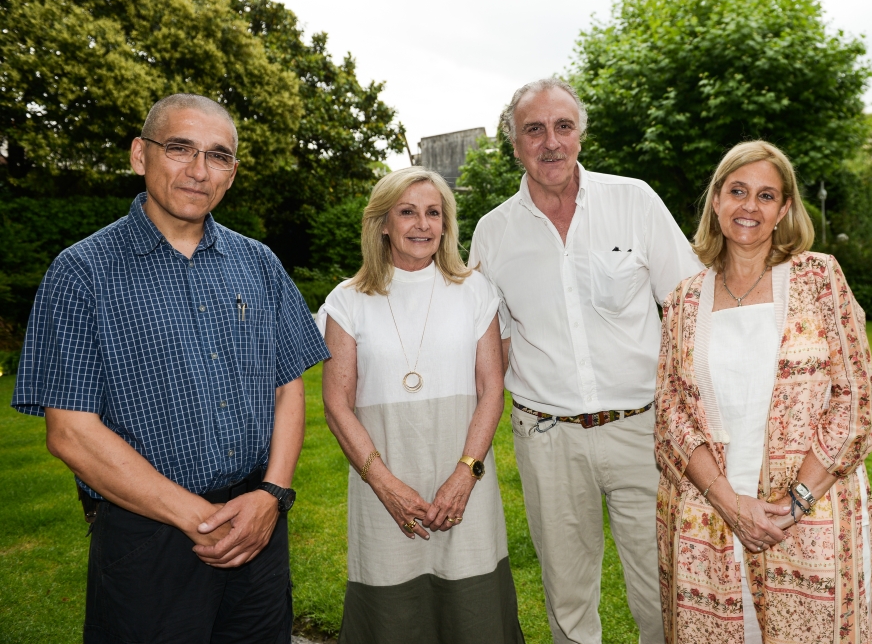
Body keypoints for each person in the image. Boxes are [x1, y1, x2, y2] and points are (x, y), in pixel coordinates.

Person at [11, 94, 330, 644]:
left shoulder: (259, 263)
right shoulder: (82, 273)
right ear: (140, 155)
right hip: (147, 537)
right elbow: (70, 433)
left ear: (232, 172)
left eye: (219, 155)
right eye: (180, 148)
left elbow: (288, 387)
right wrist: (200, 518)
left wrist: (272, 495)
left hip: (259, 524)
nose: (199, 170)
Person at [469, 78, 702, 644]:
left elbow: (690, 307)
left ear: (581, 133)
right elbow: (487, 348)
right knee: (568, 601)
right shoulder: (493, 233)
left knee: (662, 592)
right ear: (515, 143)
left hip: (641, 431)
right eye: (534, 129)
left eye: (563, 126)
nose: (551, 142)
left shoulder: (635, 200)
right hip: (547, 437)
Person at [654, 140, 872, 643]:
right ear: (716, 201)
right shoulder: (684, 299)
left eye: (765, 195)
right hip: (708, 509)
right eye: (737, 191)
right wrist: (731, 503)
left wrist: (791, 504)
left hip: (809, 511)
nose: (749, 207)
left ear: (783, 210)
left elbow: (855, 400)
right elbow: (671, 413)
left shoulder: (821, 278)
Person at [319, 167, 525, 643]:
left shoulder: (475, 290)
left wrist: (464, 474)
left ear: (446, 225)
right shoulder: (348, 301)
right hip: (383, 484)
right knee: (392, 613)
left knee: (474, 612)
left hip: (463, 479)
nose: (422, 224)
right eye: (407, 211)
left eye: (433, 213)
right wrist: (386, 485)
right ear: (383, 223)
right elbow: (335, 404)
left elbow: (492, 388)